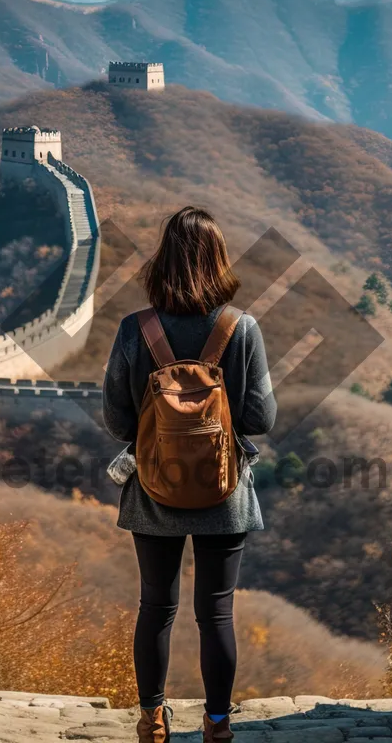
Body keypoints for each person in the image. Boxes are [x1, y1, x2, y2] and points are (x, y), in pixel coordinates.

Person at [103, 207, 277, 743]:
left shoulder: (137, 329)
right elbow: (261, 420)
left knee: (156, 605)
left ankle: (152, 719)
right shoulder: (240, 328)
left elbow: (116, 421)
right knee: (216, 613)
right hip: (224, 492)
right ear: (218, 261)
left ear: (163, 261)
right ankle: (217, 724)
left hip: (153, 488)